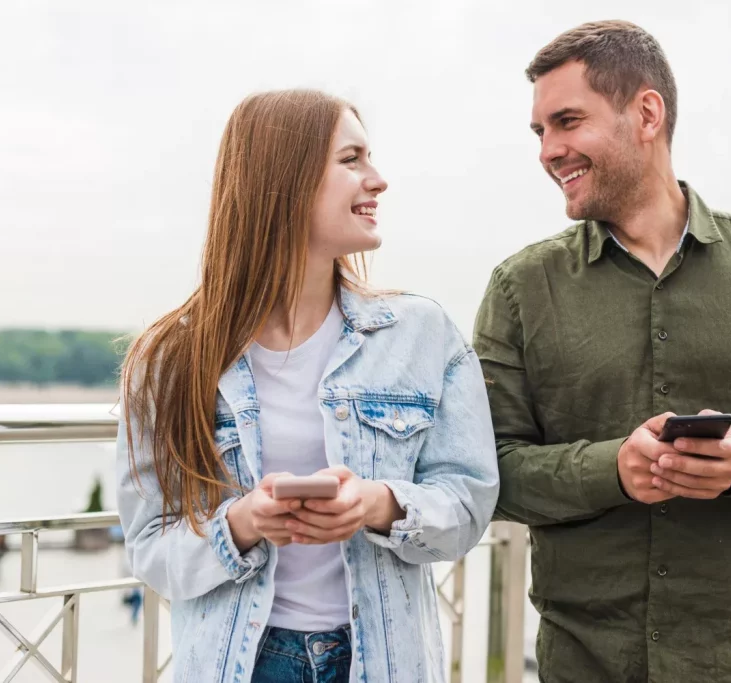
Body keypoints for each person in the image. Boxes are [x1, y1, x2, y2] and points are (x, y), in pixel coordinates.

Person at [472, 20, 731, 683]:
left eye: (567, 121)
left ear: (647, 114)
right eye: (540, 131)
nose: (549, 150)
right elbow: (488, 470)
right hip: (586, 664)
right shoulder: (520, 287)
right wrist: (615, 468)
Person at [116, 89, 499, 683]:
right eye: (352, 160)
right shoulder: (168, 360)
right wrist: (244, 522)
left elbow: (470, 504)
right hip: (242, 665)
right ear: (285, 181)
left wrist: (377, 505)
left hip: (385, 663)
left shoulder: (424, 335)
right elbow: (149, 549)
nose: (378, 180)